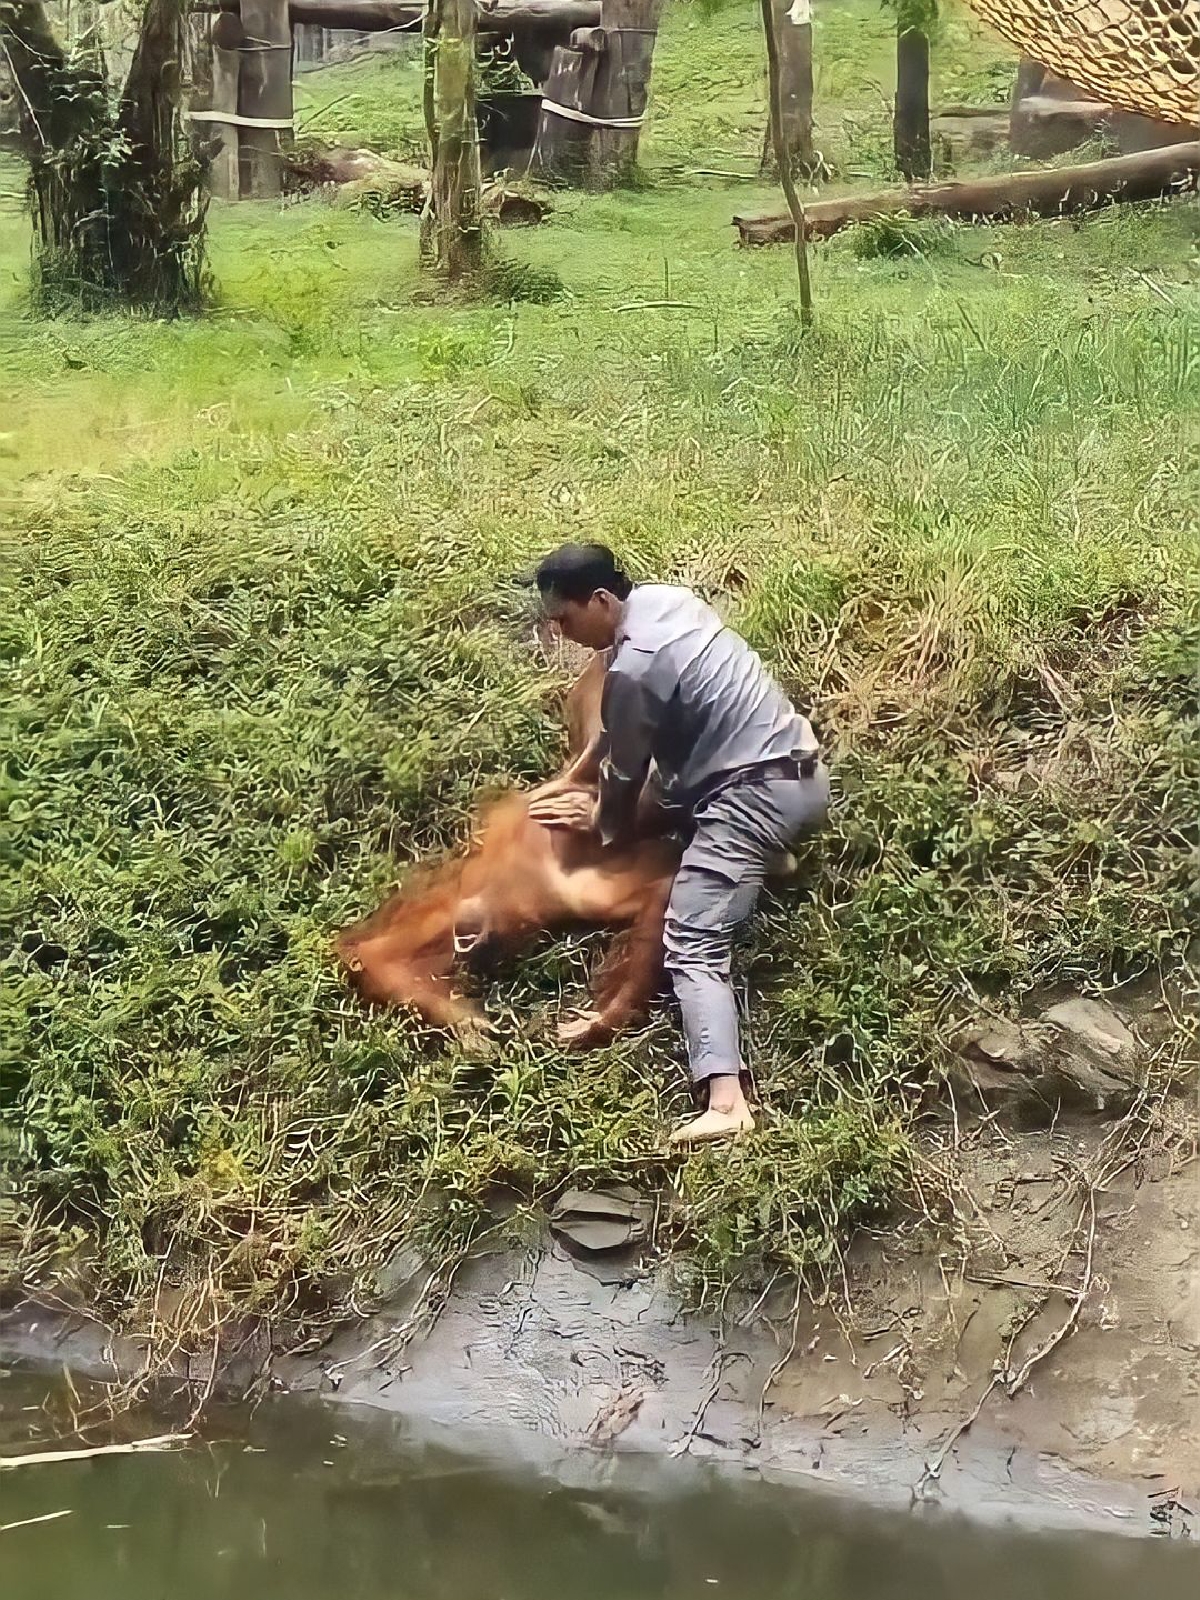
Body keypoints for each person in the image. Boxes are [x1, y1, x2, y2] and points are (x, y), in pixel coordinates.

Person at [525, 542, 829, 1145]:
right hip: (794, 769)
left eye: (564, 618)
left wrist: (600, 823)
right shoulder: (664, 602)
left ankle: (727, 1102)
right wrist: (572, 779)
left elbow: (624, 776)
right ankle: (768, 857)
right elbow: (618, 730)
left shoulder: (637, 665)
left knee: (693, 939)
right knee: (673, 800)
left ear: (601, 600)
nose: (559, 633)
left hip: (752, 795)